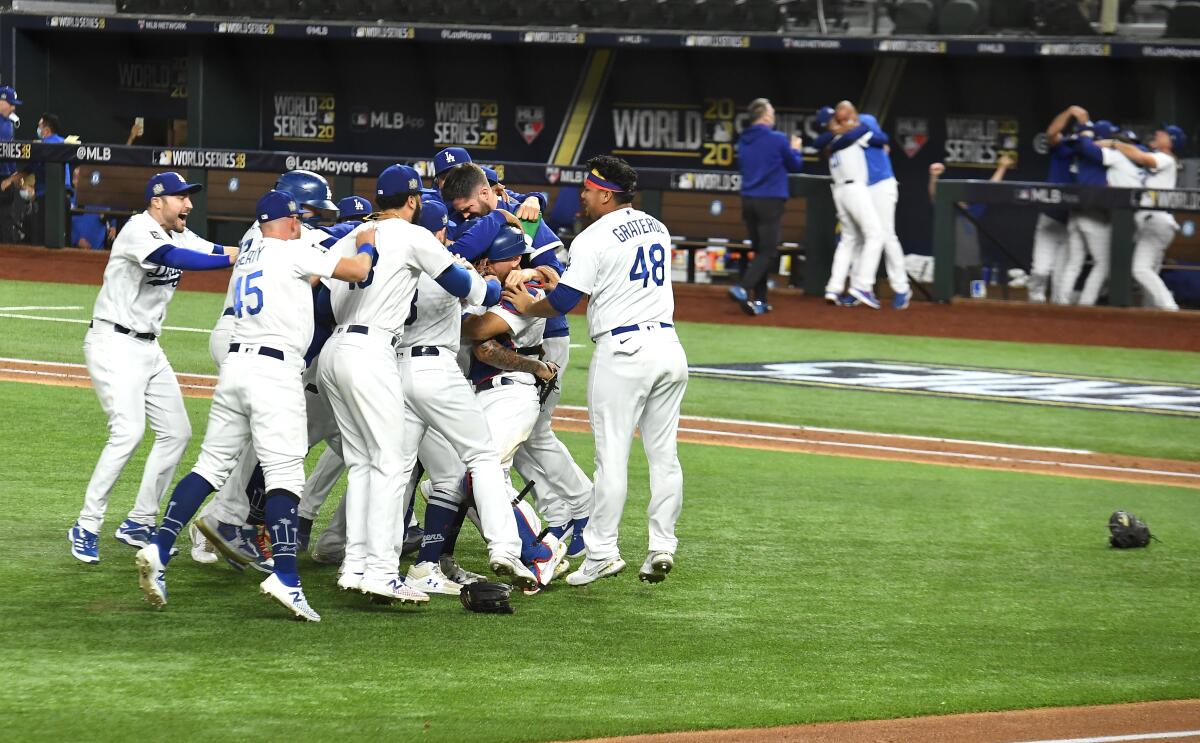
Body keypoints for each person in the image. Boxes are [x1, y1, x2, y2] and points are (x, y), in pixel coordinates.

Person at [135, 190, 373, 622]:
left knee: (209, 466)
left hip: (235, 368)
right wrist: (368, 238)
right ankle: (286, 578)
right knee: (285, 475)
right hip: (274, 372)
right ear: (292, 221)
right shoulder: (295, 248)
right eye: (299, 218)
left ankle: (160, 545)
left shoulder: (249, 249)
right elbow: (359, 269)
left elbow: (302, 281)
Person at [505, 155, 688, 587]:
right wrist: (561, 287)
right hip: (669, 347)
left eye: (587, 189)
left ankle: (602, 550)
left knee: (612, 461)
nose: (582, 196)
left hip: (624, 353)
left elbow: (565, 301)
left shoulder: (593, 236)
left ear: (606, 194)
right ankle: (662, 544)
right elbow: (611, 281)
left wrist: (531, 305)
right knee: (665, 458)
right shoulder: (655, 225)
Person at [68, 172, 238, 564]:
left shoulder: (180, 232)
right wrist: (232, 258)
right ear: (158, 201)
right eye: (182, 198)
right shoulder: (137, 230)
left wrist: (259, 249)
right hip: (113, 342)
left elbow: (214, 248)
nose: (189, 205)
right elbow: (175, 259)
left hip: (148, 348)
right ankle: (86, 524)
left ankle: (139, 522)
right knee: (127, 431)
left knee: (177, 432)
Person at [728, 98, 804, 316]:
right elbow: (795, 165)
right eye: (771, 112)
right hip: (769, 200)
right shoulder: (778, 139)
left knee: (759, 250)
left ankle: (760, 300)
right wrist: (796, 149)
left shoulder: (744, 139)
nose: (773, 116)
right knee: (768, 251)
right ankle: (742, 288)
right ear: (766, 116)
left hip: (748, 200)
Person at [1112, 125, 1185, 311]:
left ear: (1171, 142)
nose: (1159, 133)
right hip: (1155, 222)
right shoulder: (1163, 158)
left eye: (1165, 134)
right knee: (1150, 274)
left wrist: (1114, 143)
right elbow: (1139, 154)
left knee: (1140, 269)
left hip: (1157, 220)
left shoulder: (1165, 158)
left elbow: (1140, 157)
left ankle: (1170, 308)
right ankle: (1154, 320)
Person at [1057, 120, 1117, 305]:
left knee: (1075, 262)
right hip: (1093, 214)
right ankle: (1086, 304)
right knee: (1103, 263)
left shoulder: (1082, 150)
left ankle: (1062, 302)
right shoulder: (1098, 152)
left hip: (1076, 213)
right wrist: (1088, 138)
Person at [1033, 105, 1088, 303]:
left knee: (1060, 282)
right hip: (1050, 217)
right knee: (1040, 271)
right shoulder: (1063, 147)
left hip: (1073, 222)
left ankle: (1055, 330)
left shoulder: (1093, 155)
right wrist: (1070, 112)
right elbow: (1051, 133)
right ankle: (1031, 315)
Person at [28, 113, 72, 246]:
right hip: (64, 196)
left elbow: (31, 167)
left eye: (40, 126)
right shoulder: (63, 141)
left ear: (46, 130)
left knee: (41, 238)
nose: (38, 129)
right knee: (62, 238)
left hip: (47, 197)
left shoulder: (43, 145)